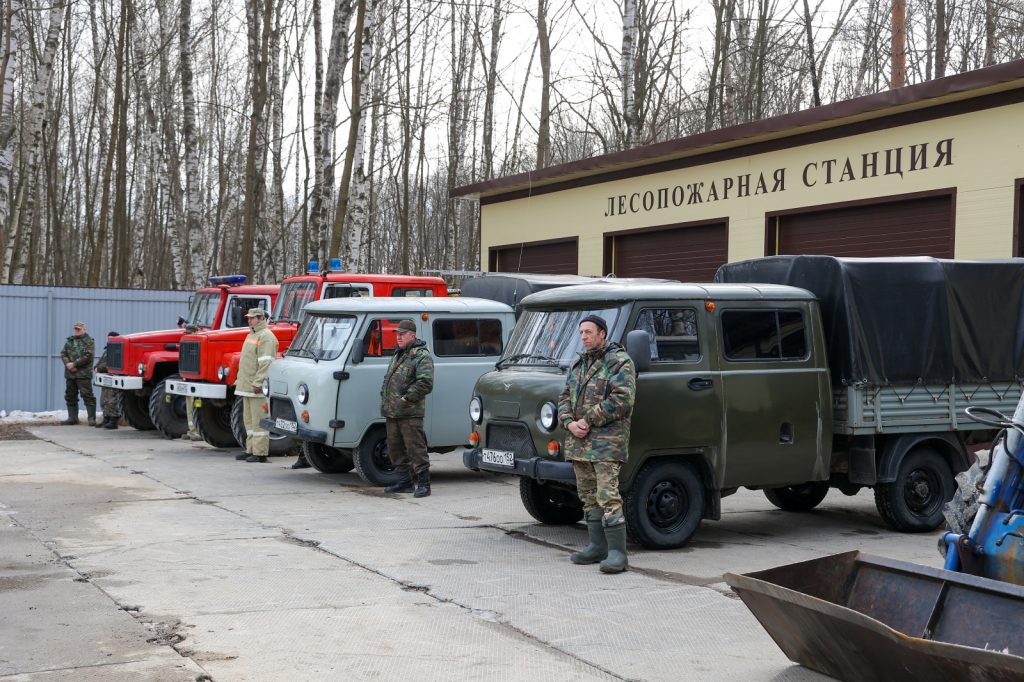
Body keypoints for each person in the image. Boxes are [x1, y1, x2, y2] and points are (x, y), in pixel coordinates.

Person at [557, 314, 637, 574]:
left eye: (588, 332)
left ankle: (617, 553)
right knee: (588, 496)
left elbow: (623, 400)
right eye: (581, 332)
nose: (583, 336)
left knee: (607, 495)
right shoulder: (579, 363)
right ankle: (596, 546)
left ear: (602, 333)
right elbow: (565, 396)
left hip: (605, 443)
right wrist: (569, 422)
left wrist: (587, 420)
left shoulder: (618, 362)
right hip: (579, 443)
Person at [380, 320, 434, 497]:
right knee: (395, 448)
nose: (398, 337)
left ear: (412, 335)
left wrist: (406, 398)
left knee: (415, 449)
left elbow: (425, 383)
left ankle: (424, 484)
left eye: (402, 334)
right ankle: (405, 482)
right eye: (397, 334)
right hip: (393, 411)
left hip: (410, 412)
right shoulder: (399, 353)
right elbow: (389, 378)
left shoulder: (421, 355)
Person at [233, 308, 278, 463]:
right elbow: (246, 362)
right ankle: (250, 449)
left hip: (256, 387)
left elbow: (266, 363)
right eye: (248, 318)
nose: (249, 320)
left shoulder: (266, 337)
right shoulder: (252, 334)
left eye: (252, 318)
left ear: (260, 318)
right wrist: (240, 380)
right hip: (246, 386)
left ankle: (260, 453)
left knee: (259, 421)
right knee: (249, 422)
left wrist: (258, 382)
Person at [60, 321, 97, 426]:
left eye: (79, 329)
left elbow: (88, 356)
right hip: (70, 374)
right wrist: (68, 364)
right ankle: (72, 418)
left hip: (83, 374)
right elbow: (63, 353)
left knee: (87, 396)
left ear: (85, 329)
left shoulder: (89, 341)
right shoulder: (70, 341)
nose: (77, 331)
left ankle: (91, 418)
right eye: (76, 329)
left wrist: (74, 364)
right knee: (70, 395)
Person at [93, 331, 121, 429]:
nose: (109, 340)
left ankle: (113, 421)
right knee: (104, 400)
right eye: (108, 338)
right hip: (105, 378)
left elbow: (112, 363)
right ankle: (106, 418)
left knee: (112, 400)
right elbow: (101, 361)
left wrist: (100, 368)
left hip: (112, 377)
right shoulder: (107, 350)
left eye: (111, 338)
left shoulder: (118, 350)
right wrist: (96, 367)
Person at [182, 324, 203, 441]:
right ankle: (191, 431)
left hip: (196, 381)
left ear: (196, 332)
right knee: (189, 407)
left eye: (190, 332)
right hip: (188, 379)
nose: (187, 335)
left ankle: (198, 432)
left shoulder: (198, 345)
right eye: (186, 333)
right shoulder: (186, 345)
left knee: (196, 407)